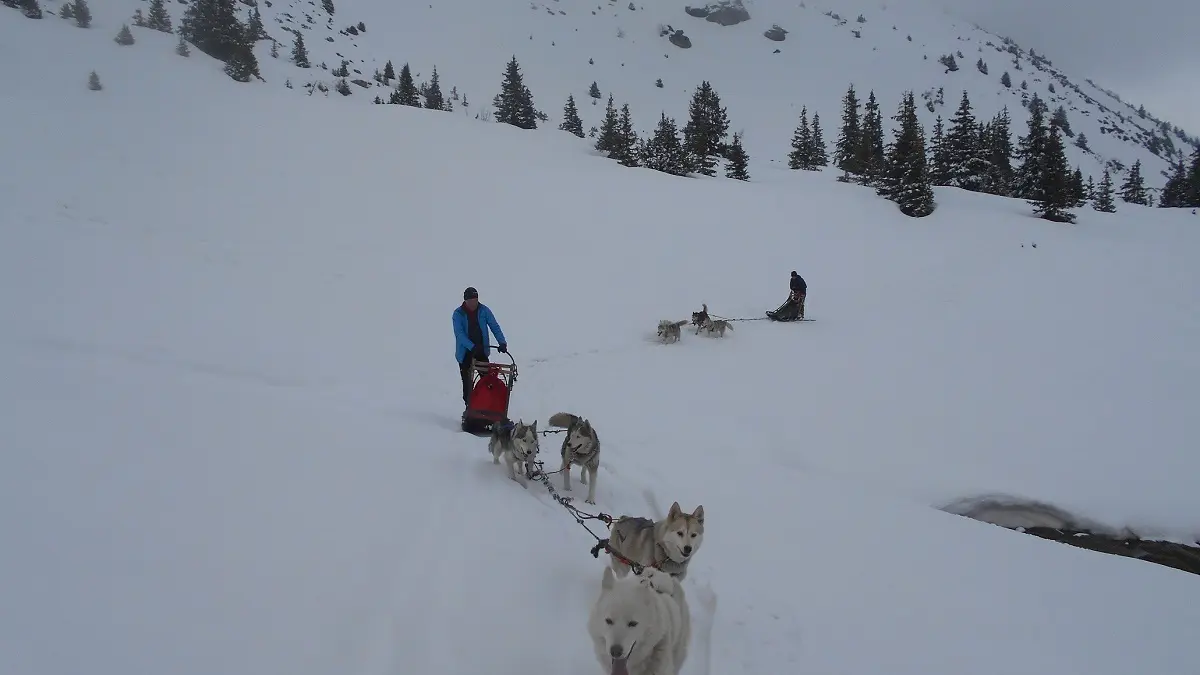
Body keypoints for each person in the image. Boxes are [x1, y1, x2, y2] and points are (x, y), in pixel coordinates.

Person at [453, 286, 508, 407]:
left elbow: (494, 326)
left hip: (481, 350)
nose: (474, 304)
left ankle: (489, 407)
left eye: (476, 300)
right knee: (467, 383)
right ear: (465, 301)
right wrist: (471, 346)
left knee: (487, 380)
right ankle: (469, 407)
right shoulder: (458, 314)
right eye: (471, 301)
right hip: (465, 353)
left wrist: (502, 342)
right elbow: (459, 334)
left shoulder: (484, 310)